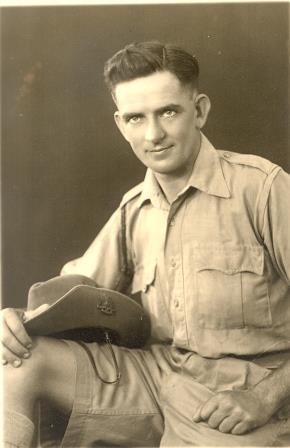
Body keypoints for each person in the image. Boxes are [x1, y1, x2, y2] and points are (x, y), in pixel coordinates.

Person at [2, 41, 290, 447]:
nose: (153, 134)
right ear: (121, 125)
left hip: (239, 397)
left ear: (200, 110)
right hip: (156, 379)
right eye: (136, 118)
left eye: (168, 112)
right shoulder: (134, 209)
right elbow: (75, 286)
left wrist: (263, 398)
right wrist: (17, 320)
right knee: (16, 360)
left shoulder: (262, 190)